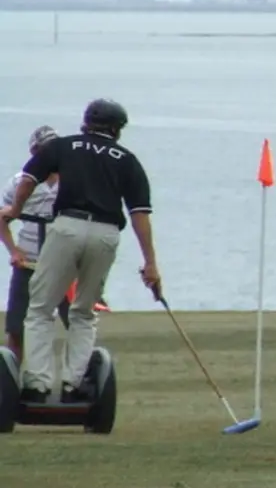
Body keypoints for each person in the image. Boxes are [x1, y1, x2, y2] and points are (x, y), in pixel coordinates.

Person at [0, 99, 160, 404]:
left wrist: (16, 210)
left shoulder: (63, 146)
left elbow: (28, 180)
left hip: (67, 227)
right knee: (84, 312)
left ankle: (37, 385)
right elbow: (140, 214)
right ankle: (74, 386)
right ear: (116, 129)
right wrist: (150, 263)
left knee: (40, 308)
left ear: (86, 122)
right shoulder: (127, 160)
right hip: (106, 234)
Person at [1, 125, 71, 362]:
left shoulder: (74, 179)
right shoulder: (19, 182)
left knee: (77, 322)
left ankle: (79, 374)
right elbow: (3, 217)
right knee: (17, 327)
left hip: (65, 263)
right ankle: (12, 376)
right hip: (29, 262)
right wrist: (13, 250)